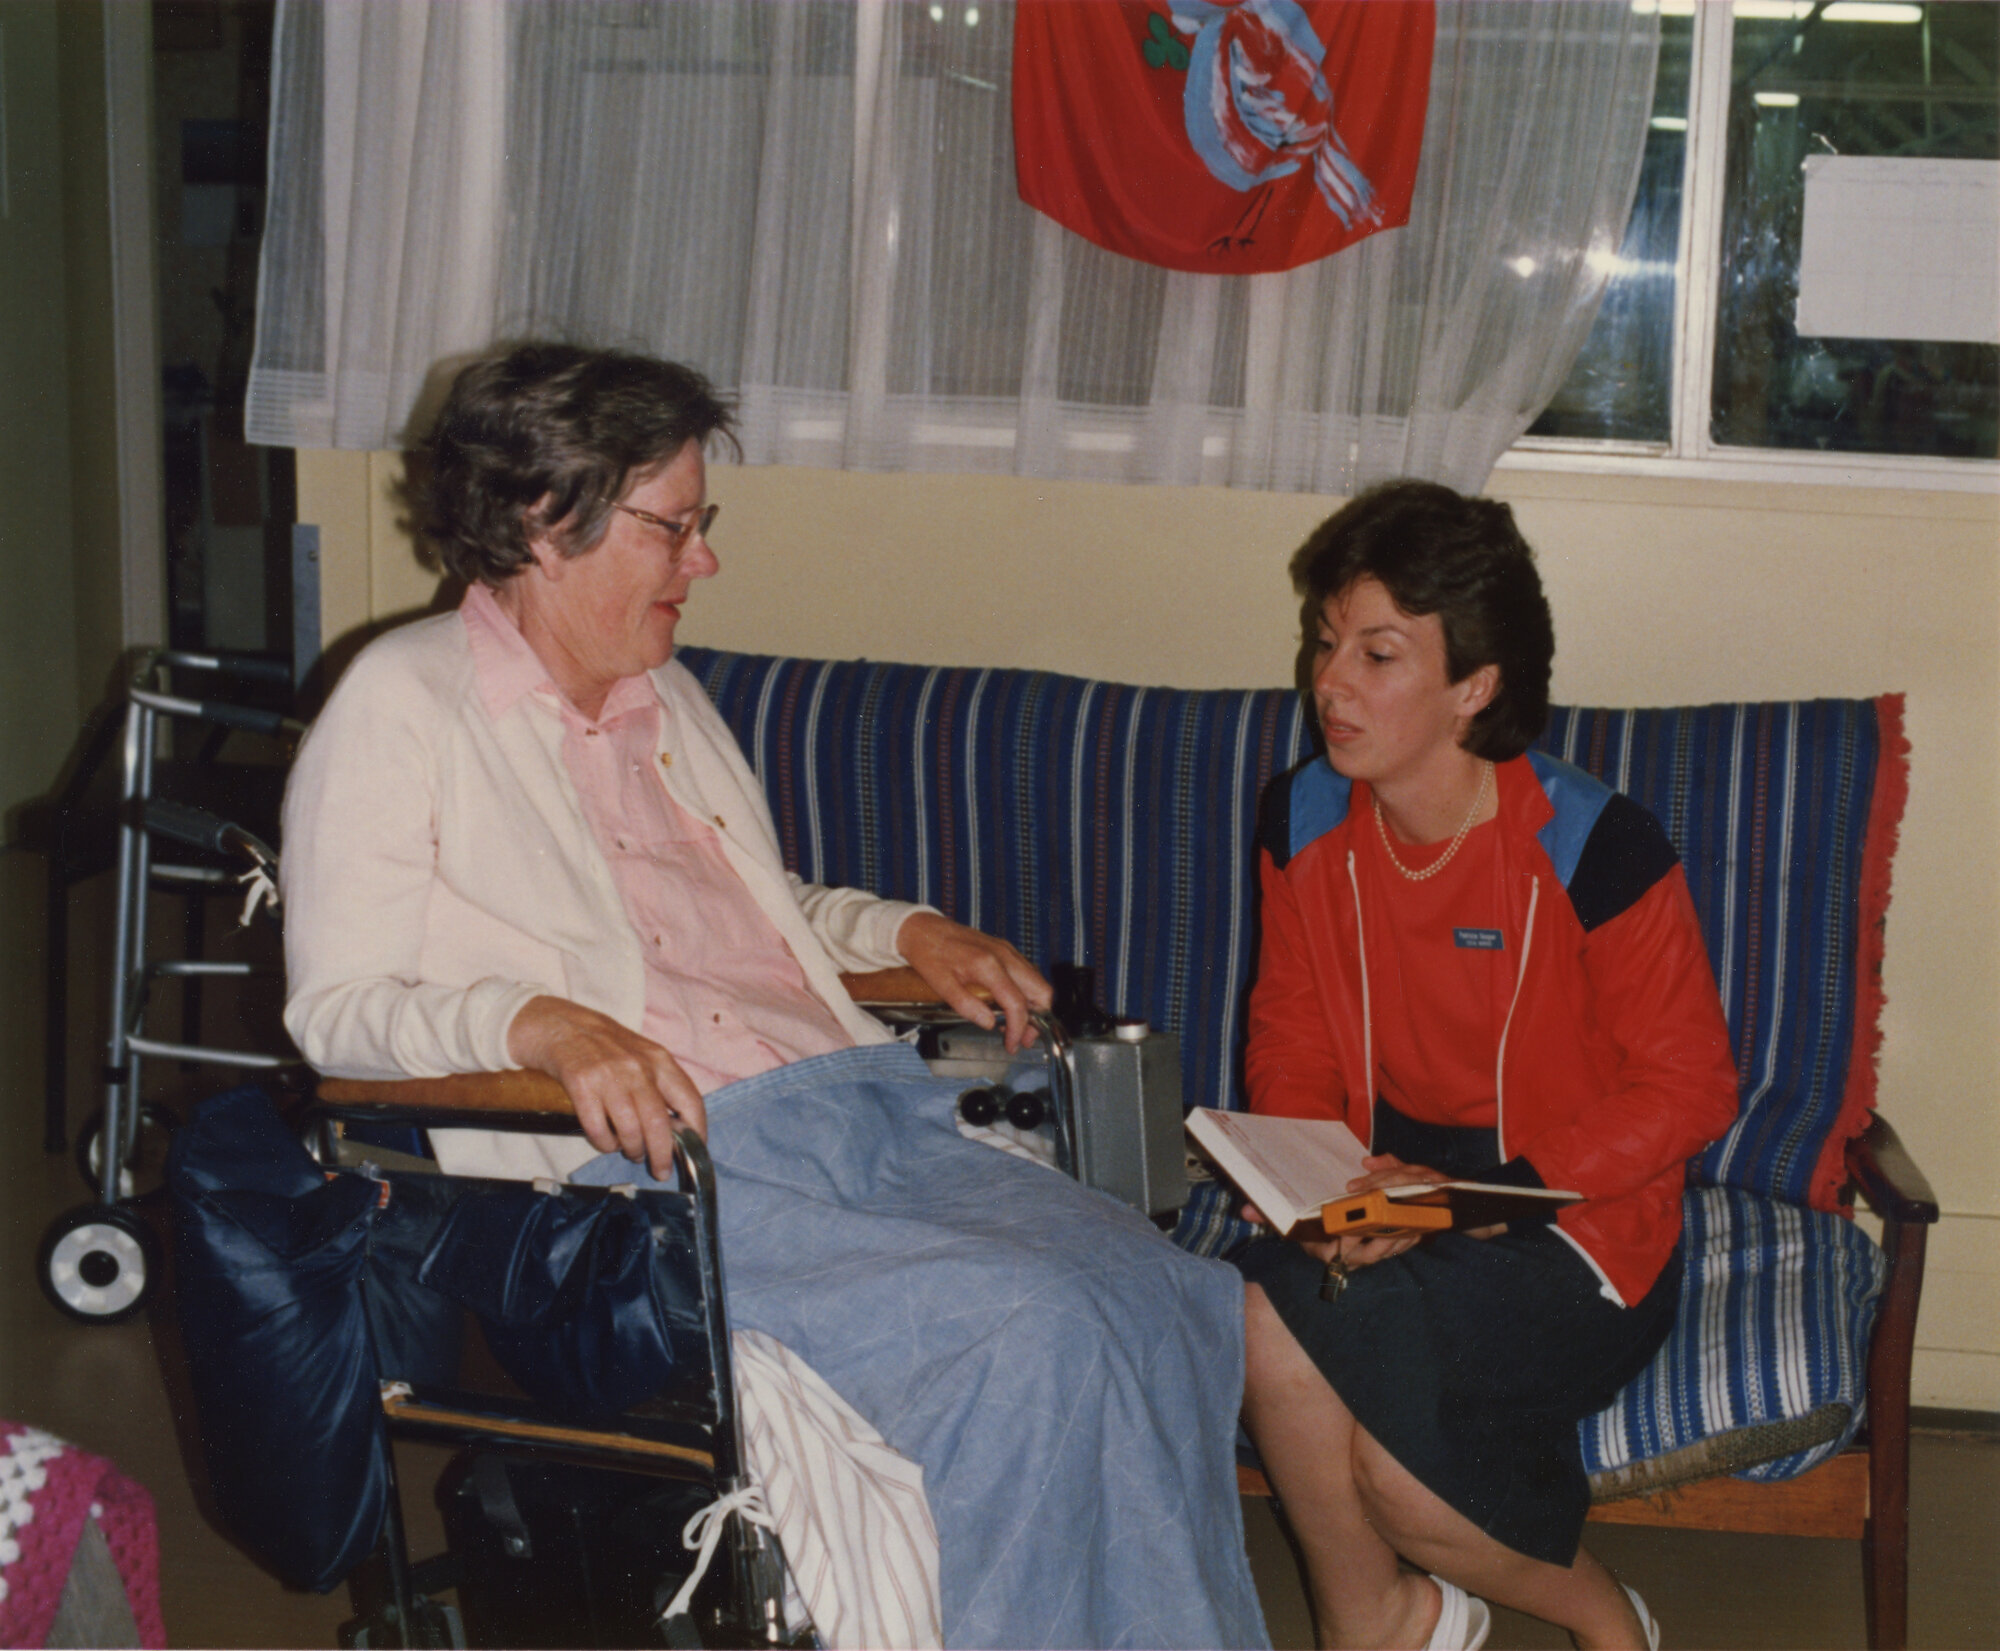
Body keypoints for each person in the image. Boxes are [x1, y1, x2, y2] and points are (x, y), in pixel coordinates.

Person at [280, 342, 1267, 1650]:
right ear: (541, 519)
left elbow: (758, 909)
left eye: (704, 525)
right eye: (673, 527)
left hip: (857, 1109)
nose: (704, 562)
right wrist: (540, 1022)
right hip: (661, 1176)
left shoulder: (667, 693)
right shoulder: (400, 702)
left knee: (1164, 1290)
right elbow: (339, 1009)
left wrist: (907, 929)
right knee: (1035, 1333)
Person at [1235, 481, 1739, 1651]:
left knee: (1409, 1485)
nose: (1330, 685)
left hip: (1570, 1217)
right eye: (1324, 644)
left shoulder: (1591, 843)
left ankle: (1611, 1623)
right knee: (1263, 1306)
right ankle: (1378, 1624)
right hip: (1382, 1177)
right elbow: (1291, 1035)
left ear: (1473, 685)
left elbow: (1686, 1089)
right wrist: (1325, 1187)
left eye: (1377, 654)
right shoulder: (1301, 818)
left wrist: (1459, 1200)